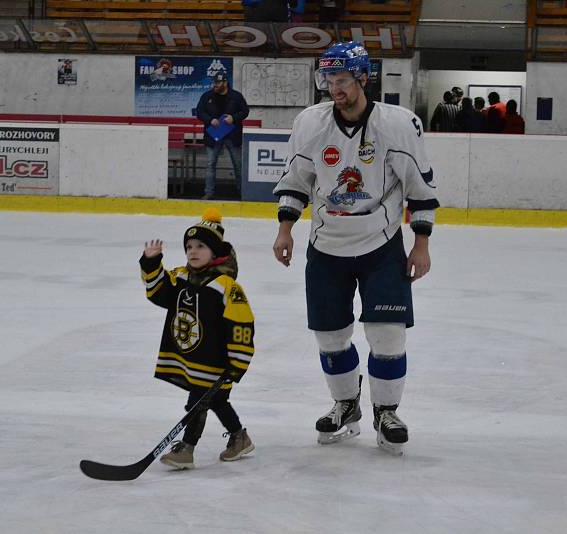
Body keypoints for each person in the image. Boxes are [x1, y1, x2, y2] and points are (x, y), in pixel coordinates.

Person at [271, 41, 439, 454]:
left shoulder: (398, 125)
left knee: (387, 336)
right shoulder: (310, 124)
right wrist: (285, 229)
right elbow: (296, 182)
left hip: (381, 246)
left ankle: (386, 410)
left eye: (342, 79)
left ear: (363, 78)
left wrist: (421, 244)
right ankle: (346, 405)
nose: (334, 88)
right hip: (326, 246)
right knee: (330, 336)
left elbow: (420, 188)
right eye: (328, 79)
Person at [141, 208, 256, 469]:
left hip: (215, 362)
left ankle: (187, 449)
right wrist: (151, 263)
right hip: (191, 358)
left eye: (201, 246)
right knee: (215, 400)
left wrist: (236, 365)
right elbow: (159, 293)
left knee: (197, 404)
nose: (193, 251)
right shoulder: (181, 276)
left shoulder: (226, 286)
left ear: (215, 252)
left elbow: (241, 326)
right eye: (189, 246)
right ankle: (240, 437)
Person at [196, 73, 250, 200]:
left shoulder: (236, 96)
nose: (215, 85)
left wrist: (234, 118)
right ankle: (209, 192)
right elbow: (199, 112)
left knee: (238, 164)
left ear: (225, 83)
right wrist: (210, 120)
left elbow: (245, 111)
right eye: (214, 82)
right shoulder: (206, 96)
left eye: (218, 83)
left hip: (232, 135)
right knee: (210, 164)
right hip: (213, 135)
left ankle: (242, 192)